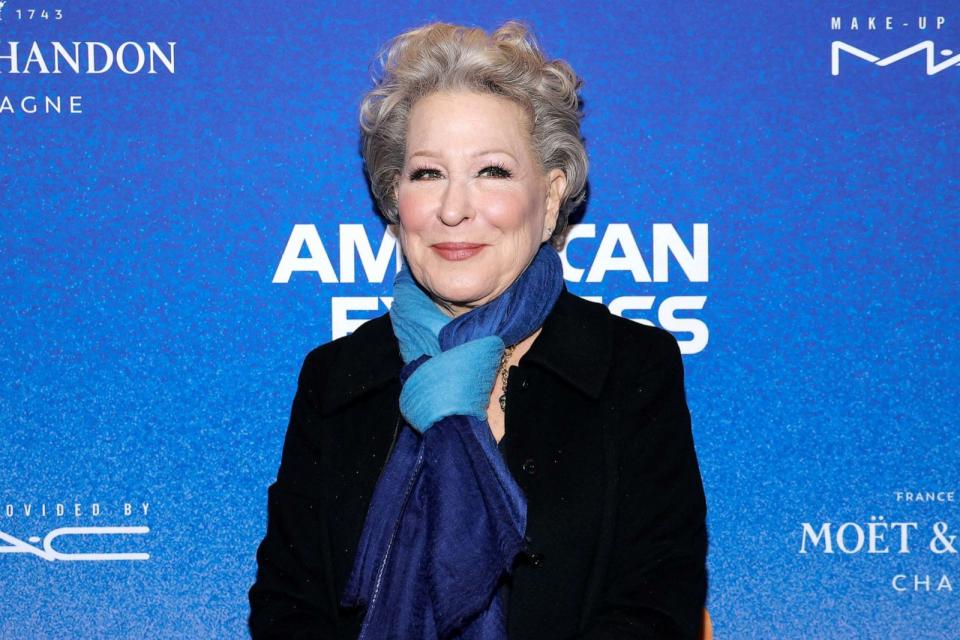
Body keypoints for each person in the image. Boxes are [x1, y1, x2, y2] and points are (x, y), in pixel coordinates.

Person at [249, 20, 708, 640]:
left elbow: (655, 601)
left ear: (549, 199)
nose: (453, 207)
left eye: (491, 171)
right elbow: (288, 606)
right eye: (427, 173)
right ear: (394, 201)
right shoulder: (336, 378)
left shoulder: (630, 368)